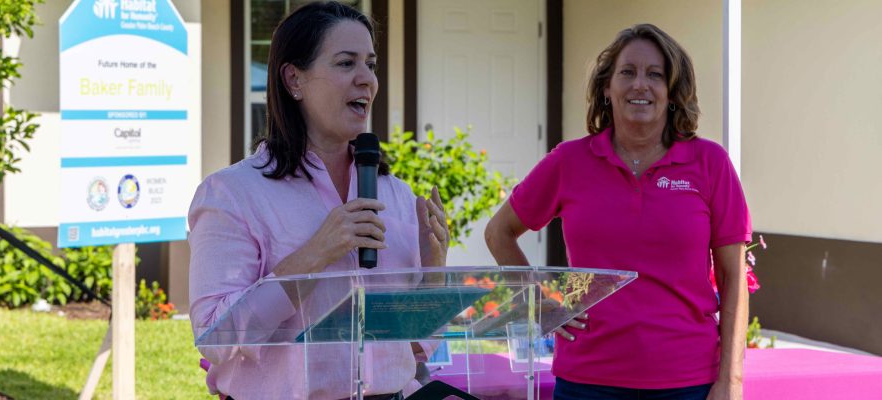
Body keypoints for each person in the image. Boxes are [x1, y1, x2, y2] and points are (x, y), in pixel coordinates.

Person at [188, 2, 449, 399]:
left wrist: (434, 274)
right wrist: (313, 256)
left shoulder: (396, 195)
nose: (367, 80)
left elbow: (414, 347)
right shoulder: (232, 194)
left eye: (371, 65)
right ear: (294, 79)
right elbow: (214, 337)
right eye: (346, 63)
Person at [484, 24, 751, 400]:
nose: (640, 85)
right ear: (607, 88)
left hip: (687, 381)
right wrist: (540, 302)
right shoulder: (569, 161)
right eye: (627, 72)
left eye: (655, 74)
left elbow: (733, 277)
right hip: (587, 381)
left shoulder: (710, 163)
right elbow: (499, 233)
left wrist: (731, 382)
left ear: (672, 91)